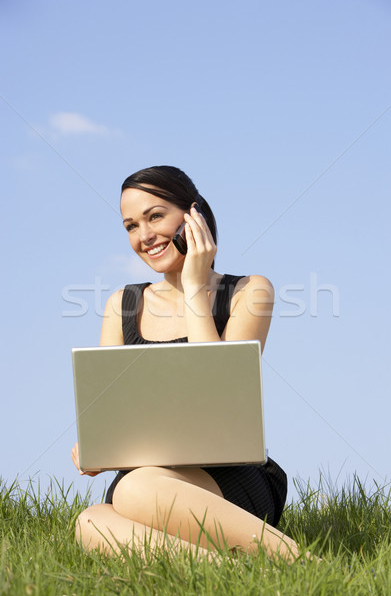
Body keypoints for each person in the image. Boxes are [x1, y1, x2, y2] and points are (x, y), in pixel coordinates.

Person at [72, 165, 299, 560]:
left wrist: (195, 286)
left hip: (227, 480)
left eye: (155, 216)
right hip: (145, 482)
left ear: (193, 216)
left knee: (134, 489)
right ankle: (241, 570)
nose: (143, 236)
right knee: (90, 522)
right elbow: (109, 405)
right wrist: (96, 446)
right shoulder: (122, 304)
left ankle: (294, 558)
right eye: (130, 225)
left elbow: (219, 394)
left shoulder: (249, 291)